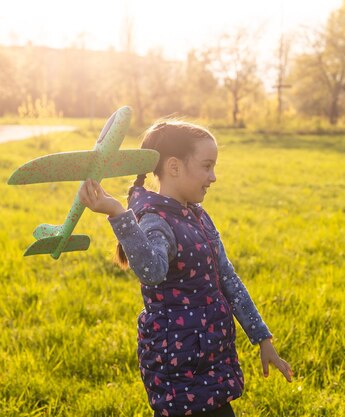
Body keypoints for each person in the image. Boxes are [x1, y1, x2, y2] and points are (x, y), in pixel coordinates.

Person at [78, 120, 293, 417]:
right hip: (179, 370)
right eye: (207, 166)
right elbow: (151, 271)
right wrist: (118, 213)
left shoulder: (198, 217)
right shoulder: (156, 221)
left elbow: (228, 279)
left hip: (211, 359)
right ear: (175, 167)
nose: (213, 177)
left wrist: (263, 339)